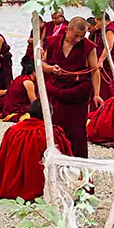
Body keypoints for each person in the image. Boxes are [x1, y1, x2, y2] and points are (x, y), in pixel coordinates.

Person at [43, 17, 101, 159]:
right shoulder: (53, 42)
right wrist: (51, 69)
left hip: (77, 93)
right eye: (75, 35)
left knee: (77, 129)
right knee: (55, 126)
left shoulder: (88, 47)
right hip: (56, 90)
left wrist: (96, 94)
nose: (78, 40)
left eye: (82, 36)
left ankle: (78, 162)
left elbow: (94, 70)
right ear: (67, 30)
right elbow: (42, 64)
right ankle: (55, 159)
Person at [0, 101, 71, 201]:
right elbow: (64, 158)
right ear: (50, 113)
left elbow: (2, 159)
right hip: (38, 185)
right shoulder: (51, 133)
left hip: (10, 183)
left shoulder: (13, 130)